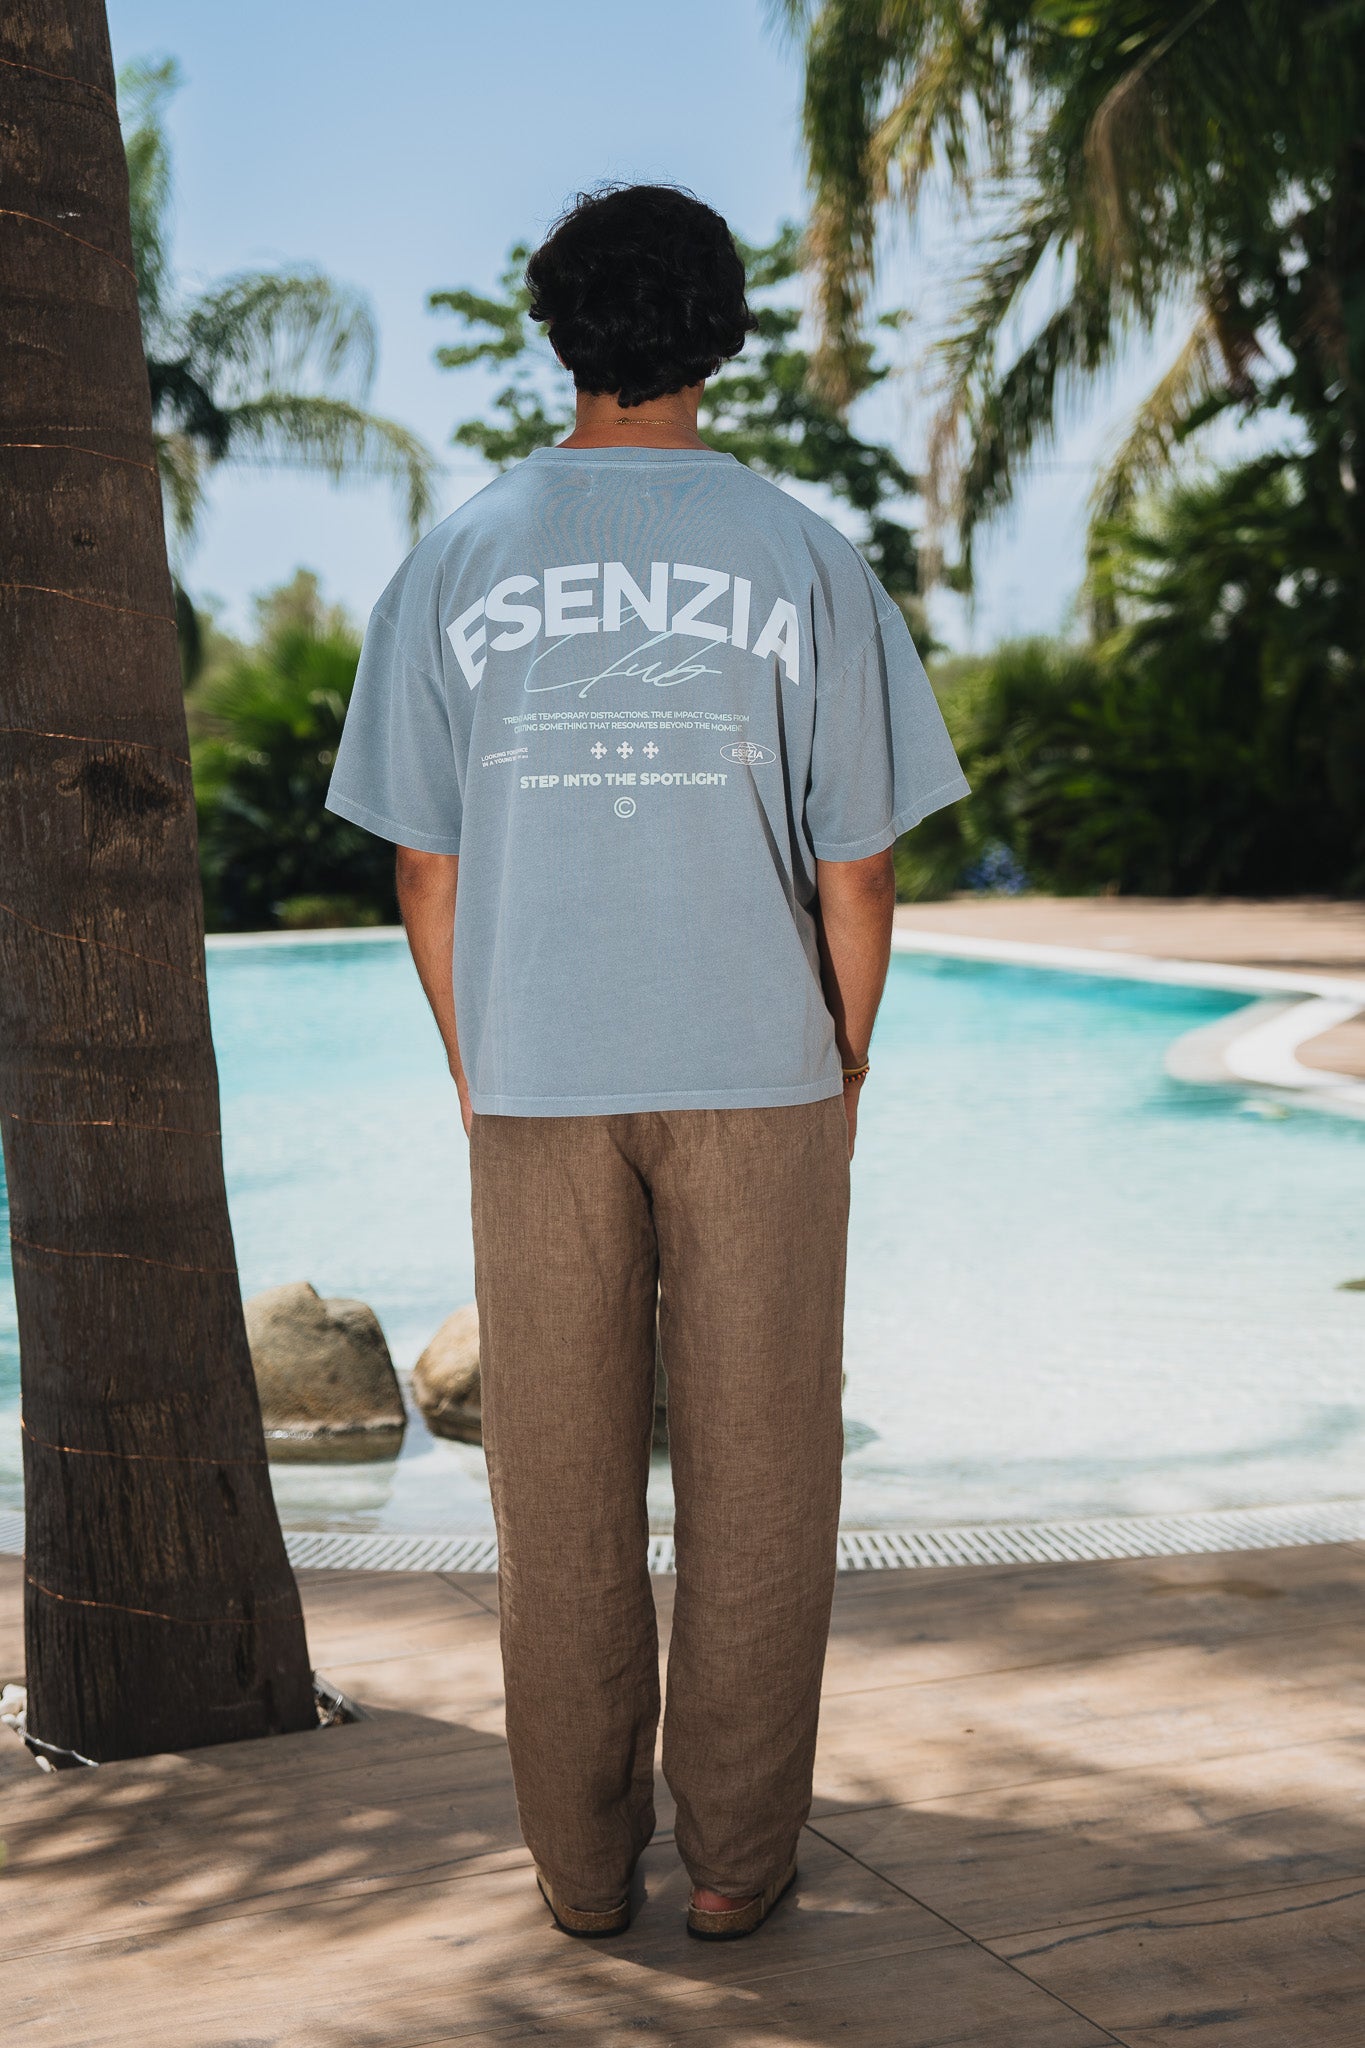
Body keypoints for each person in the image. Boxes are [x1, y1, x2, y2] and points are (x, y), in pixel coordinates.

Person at [326, 182, 968, 1943]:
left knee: (555, 1492)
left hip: (534, 1076)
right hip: (761, 1076)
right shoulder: (804, 557)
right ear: (718, 336)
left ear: (558, 332)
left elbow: (426, 871)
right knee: (762, 1482)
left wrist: (478, 1063)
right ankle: (738, 1862)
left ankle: (582, 1867)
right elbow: (858, 870)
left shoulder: (456, 555)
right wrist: (846, 1059)